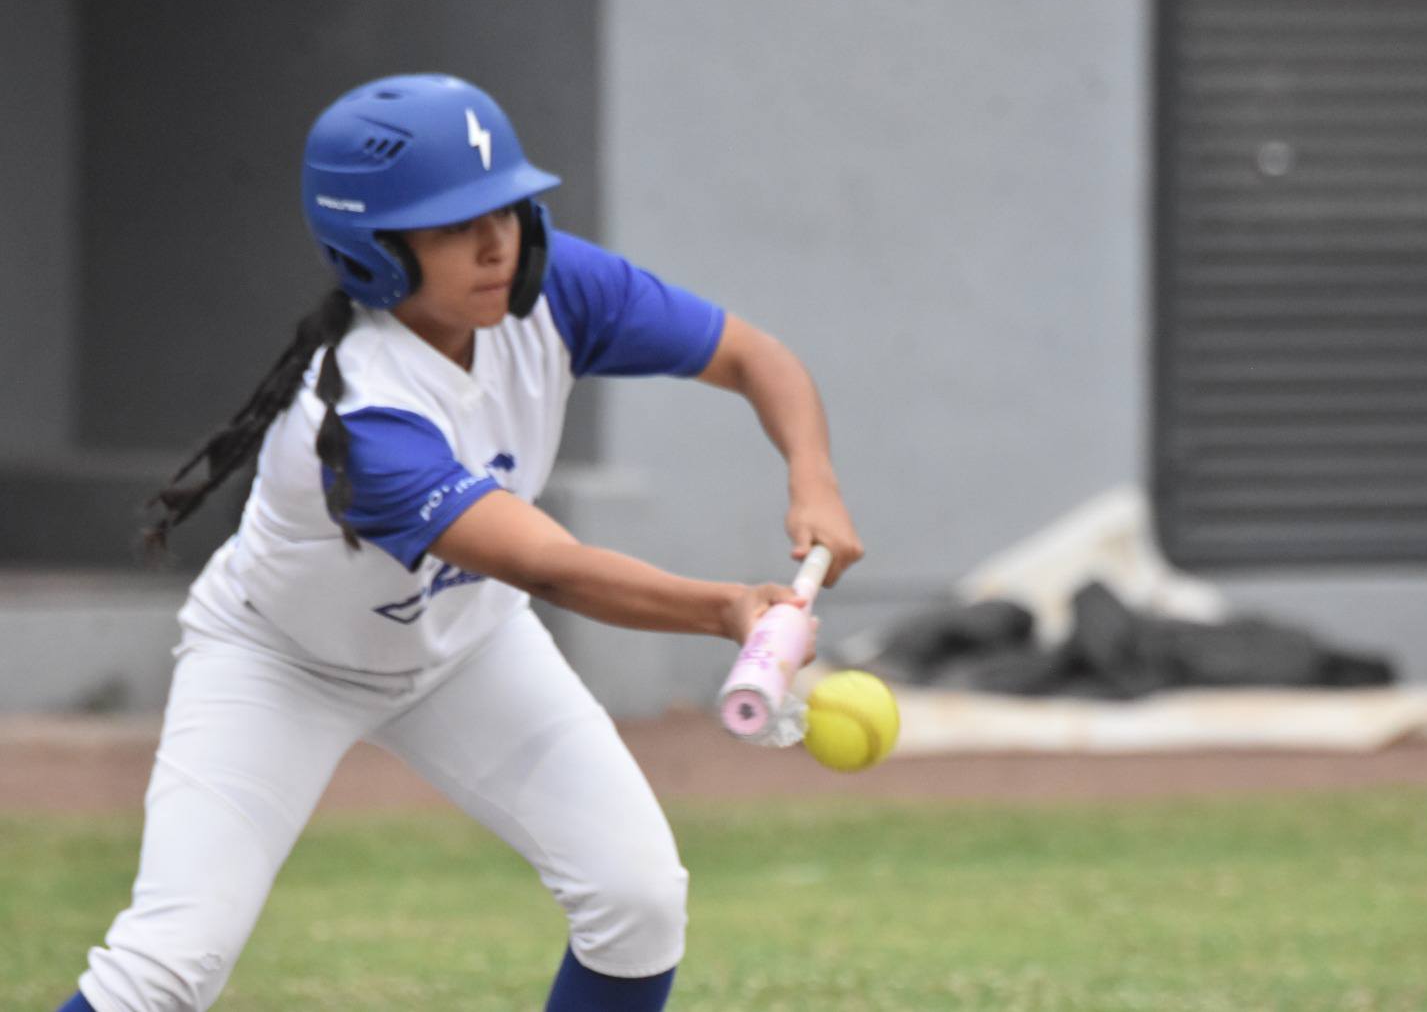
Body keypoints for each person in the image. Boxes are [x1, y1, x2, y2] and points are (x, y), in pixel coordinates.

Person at [55, 73, 863, 1012]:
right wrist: (726, 609)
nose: (494, 244)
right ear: (373, 253)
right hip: (279, 666)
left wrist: (815, 478)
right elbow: (547, 563)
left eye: (508, 209)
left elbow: (753, 356)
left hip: (467, 649)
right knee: (168, 964)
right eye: (449, 226)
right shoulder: (362, 411)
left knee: (637, 900)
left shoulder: (556, 291)